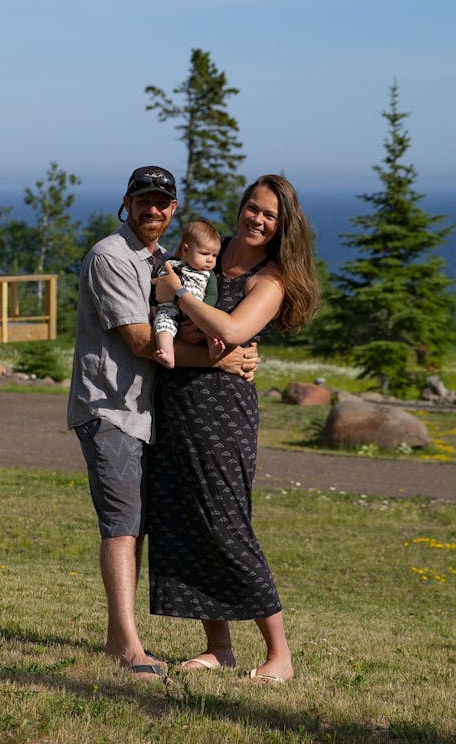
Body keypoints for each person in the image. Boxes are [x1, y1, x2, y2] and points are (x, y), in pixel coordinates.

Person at [67, 165, 259, 680]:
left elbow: (189, 321)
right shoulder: (111, 256)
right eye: (144, 200)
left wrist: (237, 347)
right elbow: (140, 342)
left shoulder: (163, 262)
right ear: (126, 203)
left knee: (143, 523)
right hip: (111, 407)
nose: (153, 209)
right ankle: (126, 646)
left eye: (163, 202)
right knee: (123, 523)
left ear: (173, 209)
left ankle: (124, 636)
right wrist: (220, 361)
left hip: (149, 412)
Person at [146, 174, 321, 684]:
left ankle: (280, 655)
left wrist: (176, 294)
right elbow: (171, 337)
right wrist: (202, 348)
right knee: (185, 521)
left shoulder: (271, 279)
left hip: (223, 414)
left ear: (283, 226)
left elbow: (232, 331)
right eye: (253, 207)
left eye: (269, 215)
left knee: (226, 524)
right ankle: (218, 647)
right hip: (176, 401)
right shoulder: (207, 249)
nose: (257, 219)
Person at [152, 220, 222, 369]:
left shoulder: (209, 275)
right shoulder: (171, 265)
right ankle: (167, 354)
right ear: (185, 250)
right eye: (204, 254)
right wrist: (153, 304)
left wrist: (202, 309)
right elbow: (156, 285)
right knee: (163, 325)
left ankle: (213, 348)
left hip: (197, 311)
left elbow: (212, 294)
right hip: (169, 308)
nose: (210, 259)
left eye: (214, 255)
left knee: (211, 323)